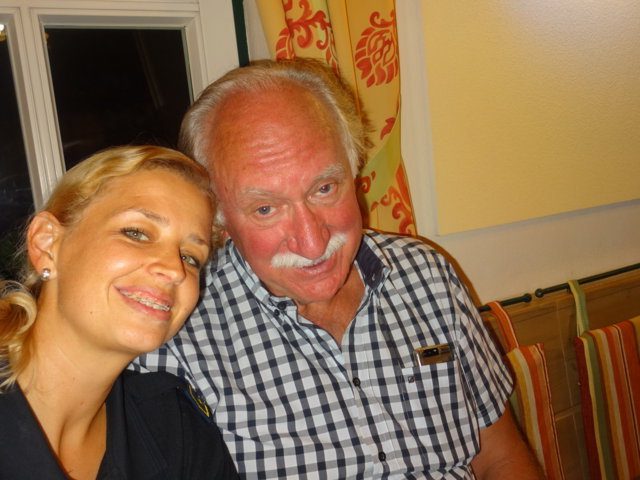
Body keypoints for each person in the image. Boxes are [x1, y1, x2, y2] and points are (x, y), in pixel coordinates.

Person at [136, 59, 545, 479]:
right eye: (265, 209)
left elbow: (498, 455)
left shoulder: (427, 273)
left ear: (354, 173)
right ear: (219, 218)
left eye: (325, 188)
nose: (313, 243)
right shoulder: (175, 336)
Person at [0, 146, 238, 479]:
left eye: (191, 257)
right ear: (46, 244)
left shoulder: (175, 430)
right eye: (137, 233)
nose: (174, 270)